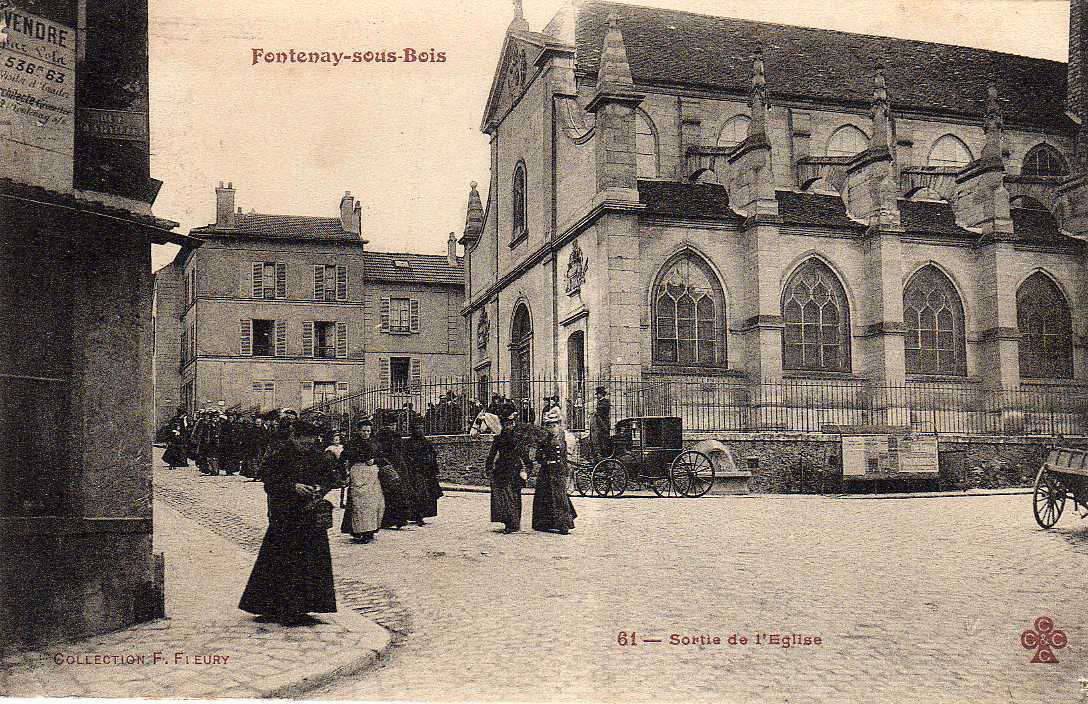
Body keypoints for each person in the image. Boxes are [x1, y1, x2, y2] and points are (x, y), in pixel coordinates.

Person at [239, 420, 339, 625]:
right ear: (294, 437)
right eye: (303, 442)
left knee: (310, 561)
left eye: (311, 442)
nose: (307, 445)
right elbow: (268, 481)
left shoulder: (317, 456)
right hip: (286, 517)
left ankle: (303, 607)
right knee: (282, 560)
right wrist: (292, 486)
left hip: (310, 516)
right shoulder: (280, 456)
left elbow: (331, 477)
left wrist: (320, 488)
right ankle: (274, 607)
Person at [531, 407, 577, 535]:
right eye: (549, 426)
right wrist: (544, 461)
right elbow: (537, 457)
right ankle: (544, 523)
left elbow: (567, 456)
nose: (552, 428)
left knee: (560, 498)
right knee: (544, 498)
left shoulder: (565, 438)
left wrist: (566, 471)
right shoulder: (543, 440)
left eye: (554, 425)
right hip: (546, 472)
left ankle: (563, 524)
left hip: (559, 471)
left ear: (558, 425)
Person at [340, 419, 386, 543]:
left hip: (372, 475)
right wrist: (345, 474)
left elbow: (383, 457)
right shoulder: (352, 444)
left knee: (374, 503)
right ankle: (360, 530)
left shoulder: (375, 443)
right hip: (358, 473)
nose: (366, 433)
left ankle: (370, 531)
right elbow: (343, 457)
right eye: (363, 431)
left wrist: (374, 460)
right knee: (359, 505)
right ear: (358, 431)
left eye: (368, 431)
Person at [487, 411, 532, 533]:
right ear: (504, 424)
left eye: (511, 423)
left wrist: (527, 469)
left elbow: (525, 456)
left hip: (514, 470)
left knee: (514, 497)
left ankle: (514, 523)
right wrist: (488, 467)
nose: (510, 426)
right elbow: (492, 454)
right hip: (501, 470)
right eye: (507, 423)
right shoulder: (499, 437)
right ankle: (509, 522)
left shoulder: (518, 439)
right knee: (504, 497)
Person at [373, 412, 415, 529]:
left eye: (393, 425)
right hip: (393, 465)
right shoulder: (389, 435)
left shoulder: (381, 435)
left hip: (391, 464)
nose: (393, 427)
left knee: (391, 492)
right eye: (392, 425)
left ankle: (393, 519)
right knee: (397, 491)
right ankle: (398, 519)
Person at [404, 424, 442, 521]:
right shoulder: (409, 443)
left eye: (421, 428)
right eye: (417, 428)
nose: (420, 430)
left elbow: (433, 453)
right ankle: (417, 515)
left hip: (427, 471)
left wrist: (429, 460)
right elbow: (406, 457)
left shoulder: (425, 441)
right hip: (415, 472)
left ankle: (423, 514)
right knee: (419, 493)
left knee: (428, 494)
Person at [589, 385, 612, 460]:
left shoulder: (605, 402)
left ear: (601, 394)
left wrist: (596, 412)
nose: (597, 396)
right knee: (599, 441)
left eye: (598, 394)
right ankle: (600, 458)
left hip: (603, 425)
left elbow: (602, 413)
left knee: (604, 441)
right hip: (599, 425)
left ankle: (605, 459)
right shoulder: (600, 402)